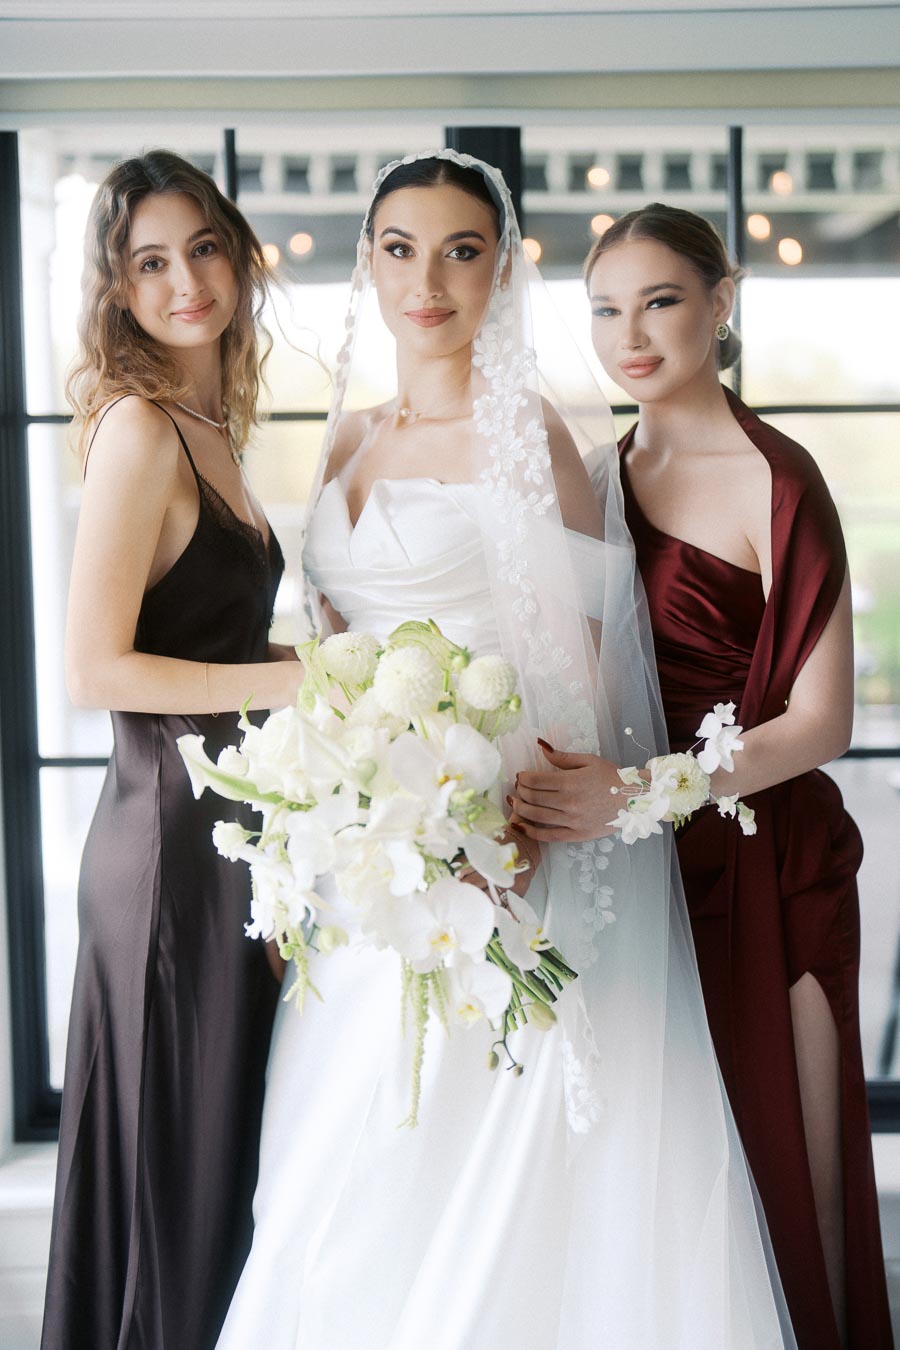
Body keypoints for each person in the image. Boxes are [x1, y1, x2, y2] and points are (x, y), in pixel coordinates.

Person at [216, 152, 796, 1350]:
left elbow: (580, 679)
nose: (425, 280)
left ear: (501, 270)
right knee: (339, 1160)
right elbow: (328, 649)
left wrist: (505, 836)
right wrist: (318, 828)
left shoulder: (523, 431)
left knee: (473, 1157)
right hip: (364, 864)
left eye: (460, 251)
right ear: (367, 262)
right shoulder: (346, 440)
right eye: (398, 248)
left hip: (496, 857)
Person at [511, 202, 892, 1349]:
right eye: (606, 310)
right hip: (625, 880)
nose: (630, 334)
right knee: (661, 1183)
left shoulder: (779, 477)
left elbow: (820, 723)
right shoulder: (586, 477)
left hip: (769, 864)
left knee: (793, 1165)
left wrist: (641, 793)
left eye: (661, 301)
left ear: (721, 305)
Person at [41, 150, 304, 1350]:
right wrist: (300, 680)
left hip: (223, 838)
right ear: (118, 289)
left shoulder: (212, 422)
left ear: (238, 253)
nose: (185, 280)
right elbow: (94, 670)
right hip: (163, 857)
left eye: (201, 247)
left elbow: (204, 627)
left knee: (213, 1177)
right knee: (173, 1182)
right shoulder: (141, 429)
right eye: (150, 262)